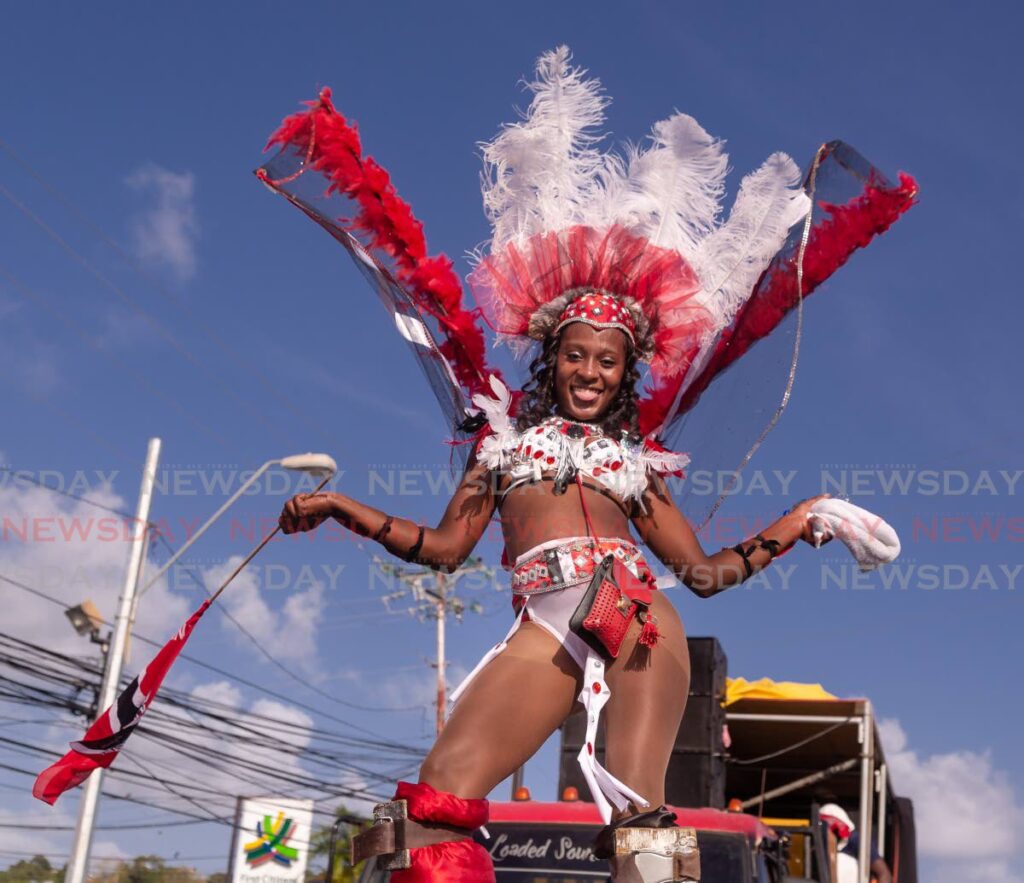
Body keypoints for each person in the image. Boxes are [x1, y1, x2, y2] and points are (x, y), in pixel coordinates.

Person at [265, 45, 916, 883]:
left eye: (607, 362)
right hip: (544, 619)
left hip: (630, 606)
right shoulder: (500, 447)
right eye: (577, 356)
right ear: (553, 357)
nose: (589, 373)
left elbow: (704, 573)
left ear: (625, 372)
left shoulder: (636, 464)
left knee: (639, 822)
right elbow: (443, 550)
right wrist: (341, 507)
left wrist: (798, 523)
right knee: (434, 800)